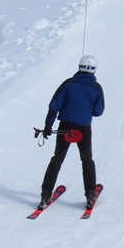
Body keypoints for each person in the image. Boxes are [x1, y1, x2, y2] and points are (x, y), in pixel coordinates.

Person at [38, 55, 105, 210]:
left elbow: (54, 105)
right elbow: (98, 111)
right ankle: (90, 195)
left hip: (65, 127)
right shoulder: (96, 88)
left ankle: (45, 195)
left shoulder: (68, 84)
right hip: (83, 128)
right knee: (87, 160)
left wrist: (48, 125)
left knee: (57, 159)